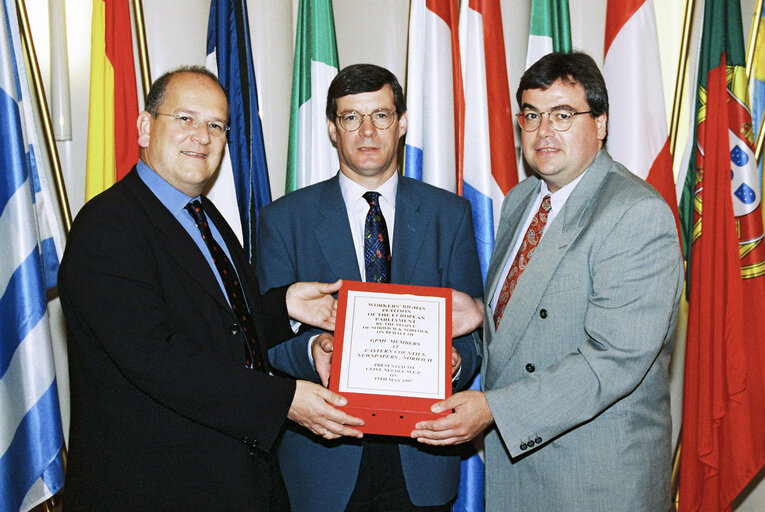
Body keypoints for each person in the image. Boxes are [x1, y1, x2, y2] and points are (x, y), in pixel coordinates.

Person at [58, 66, 364, 511]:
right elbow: (157, 358)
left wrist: (284, 308)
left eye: (216, 125)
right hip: (151, 490)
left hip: (233, 480)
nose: (202, 136)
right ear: (146, 127)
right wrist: (285, 400)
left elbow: (220, 324)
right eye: (185, 118)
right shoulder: (108, 226)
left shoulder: (205, 217)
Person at [411, 52, 684, 511]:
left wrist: (494, 408)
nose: (543, 131)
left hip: (594, 477)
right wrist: (482, 311)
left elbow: (613, 360)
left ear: (600, 123)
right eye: (532, 115)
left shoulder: (635, 212)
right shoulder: (522, 198)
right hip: (521, 471)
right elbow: (537, 308)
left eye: (562, 115)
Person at [255, 63, 483, 511]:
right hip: (324, 458)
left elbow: (474, 326)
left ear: (401, 124)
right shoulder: (283, 220)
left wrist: (455, 362)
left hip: (423, 454)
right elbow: (266, 337)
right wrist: (311, 349)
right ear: (331, 129)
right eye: (351, 117)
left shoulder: (449, 214)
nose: (367, 130)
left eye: (380, 115)